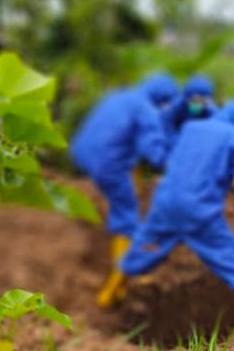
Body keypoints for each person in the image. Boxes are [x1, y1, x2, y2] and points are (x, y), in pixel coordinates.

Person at [110, 98, 234, 338]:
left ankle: (109, 295)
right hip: (200, 212)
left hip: (165, 205)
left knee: (139, 251)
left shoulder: (191, 128)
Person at [69, 73, 178, 307]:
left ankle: (119, 279)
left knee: (125, 200)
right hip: (109, 164)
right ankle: (116, 288)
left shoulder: (121, 97)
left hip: (84, 155)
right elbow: (152, 151)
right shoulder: (147, 109)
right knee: (127, 216)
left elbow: (121, 137)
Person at [165, 74, 218, 151]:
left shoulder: (211, 112)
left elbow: (215, 134)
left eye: (202, 101)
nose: (198, 104)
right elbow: (167, 129)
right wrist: (178, 144)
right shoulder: (175, 108)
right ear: (187, 97)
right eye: (194, 100)